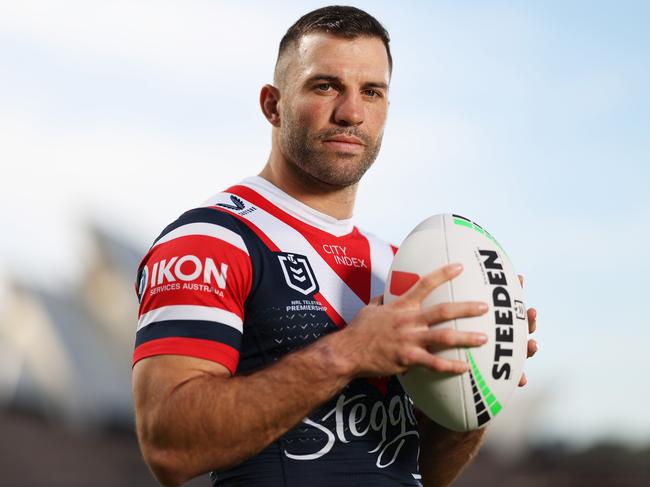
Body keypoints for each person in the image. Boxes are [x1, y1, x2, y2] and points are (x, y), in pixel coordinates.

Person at [132, 6, 538, 487]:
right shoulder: (211, 241)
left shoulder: (398, 264)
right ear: (272, 105)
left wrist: (477, 391)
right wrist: (346, 353)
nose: (351, 112)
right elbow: (168, 445)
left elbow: (421, 471)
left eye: (371, 91)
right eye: (325, 86)